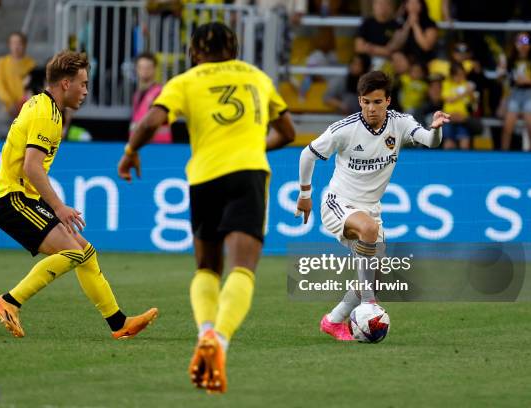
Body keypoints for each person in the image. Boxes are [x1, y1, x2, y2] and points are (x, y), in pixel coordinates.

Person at [117, 22, 295, 393]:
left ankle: (204, 333)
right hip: (248, 174)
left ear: (195, 51)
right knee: (243, 270)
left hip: (205, 178)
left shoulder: (186, 80)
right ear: (234, 48)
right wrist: (253, 147)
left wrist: (131, 152)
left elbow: (151, 121)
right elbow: (288, 132)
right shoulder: (257, 77)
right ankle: (221, 341)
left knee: (207, 268)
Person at [0, 51, 158, 340]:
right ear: (65, 84)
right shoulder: (46, 113)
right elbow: (31, 166)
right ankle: (9, 301)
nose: (86, 91)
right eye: (83, 83)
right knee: (72, 253)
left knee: (86, 254)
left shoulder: (46, 107)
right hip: (12, 199)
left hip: (22, 197)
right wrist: (58, 206)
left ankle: (119, 324)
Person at [295, 71, 449, 341]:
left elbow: (429, 141)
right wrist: (305, 194)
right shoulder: (344, 129)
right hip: (337, 204)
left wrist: (435, 128)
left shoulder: (400, 124)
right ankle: (369, 305)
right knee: (368, 231)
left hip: (370, 208)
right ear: (359, 101)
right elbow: (308, 153)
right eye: (365, 102)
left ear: (388, 101)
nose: (371, 108)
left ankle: (333, 321)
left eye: (377, 102)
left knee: (373, 273)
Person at [0, 32, 36, 139]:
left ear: (24, 45)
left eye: (19, 43)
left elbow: (30, 87)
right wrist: (10, 103)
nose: (16, 47)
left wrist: (21, 103)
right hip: (5, 105)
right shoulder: (2, 62)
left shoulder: (31, 64)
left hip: (24, 105)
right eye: (13, 43)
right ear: (9, 45)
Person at [501, 32, 531, 151]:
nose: (523, 45)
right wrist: (503, 102)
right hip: (514, 93)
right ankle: (503, 154)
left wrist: (529, 81)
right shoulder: (510, 59)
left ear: (530, 45)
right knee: (507, 128)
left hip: (529, 94)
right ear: (516, 44)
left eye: (525, 42)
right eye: (520, 42)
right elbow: (506, 80)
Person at [129, 52, 171, 143]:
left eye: (148, 67)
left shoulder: (160, 92)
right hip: (139, 144)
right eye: (141, 67)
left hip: (158, 145)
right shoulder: (137, 94)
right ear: (136, 69)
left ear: (155, 69)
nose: (145, 70)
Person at [354, 0, 400, 68]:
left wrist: (371, 48)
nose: (382, 7)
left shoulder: (396, 26)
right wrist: (381, 50)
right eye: (380, 4)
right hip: (368, 62)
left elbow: (391, 51)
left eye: (386, 4)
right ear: (374, 6)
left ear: (391, 7)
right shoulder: (367, 23)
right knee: (356, 64)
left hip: (388, 62)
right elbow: (358, 47)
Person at [390, 0, 438, 65]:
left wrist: (415, 25)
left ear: (422, 5)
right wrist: (407, 25)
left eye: (416, 2)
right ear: (406, 5)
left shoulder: (429, 23)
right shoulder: (400, 22)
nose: (413, 6)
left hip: (425, 61)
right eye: (410, 3)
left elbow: (426, 46)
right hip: (405, 60)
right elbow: (396, 45)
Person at [441, 62, 475, 149]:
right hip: (449, 118)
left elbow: (472, 102)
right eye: (457, 75)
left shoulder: (466, 84)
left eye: (462, 74)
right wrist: (465, 93)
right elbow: (449, 100)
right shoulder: (446, 84)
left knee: (465, 142)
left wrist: (471, 94)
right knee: (448, 143)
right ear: (452, 75)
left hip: (462, 119)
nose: (460, 77)